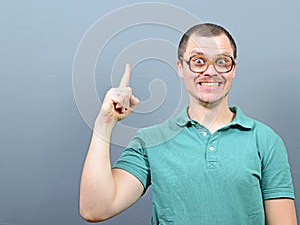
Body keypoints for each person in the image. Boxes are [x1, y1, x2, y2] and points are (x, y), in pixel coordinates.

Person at [80, 23, 297, 224]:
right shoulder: (150, 141)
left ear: (233, 69)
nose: (210, 71)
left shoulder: (265, 140)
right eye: (198, 61)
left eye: (222, 62)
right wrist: (104, 124)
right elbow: (95, 209)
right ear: (181, 67)